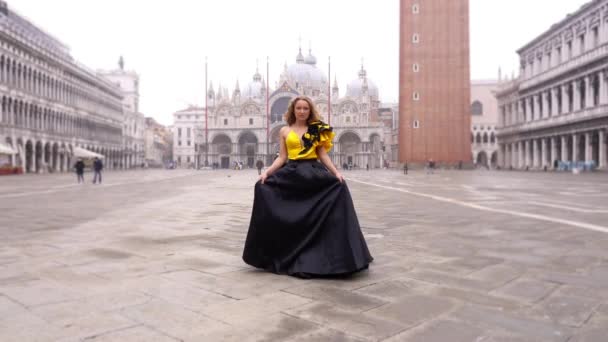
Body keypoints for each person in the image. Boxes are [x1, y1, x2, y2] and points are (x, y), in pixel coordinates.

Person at [243, 96, 372, 278]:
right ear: (293, 110)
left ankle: (328, 255)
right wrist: (267, 173)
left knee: (338, 189)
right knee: (263, 189)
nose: (302, 111)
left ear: (310, 110)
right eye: (299, 108)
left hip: (313, 172)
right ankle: (284, 251)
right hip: (291, 172)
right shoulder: (284, 131)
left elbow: (323, 155)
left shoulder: (317, 129)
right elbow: (282, 157)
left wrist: (336, 173)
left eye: (305, 108)